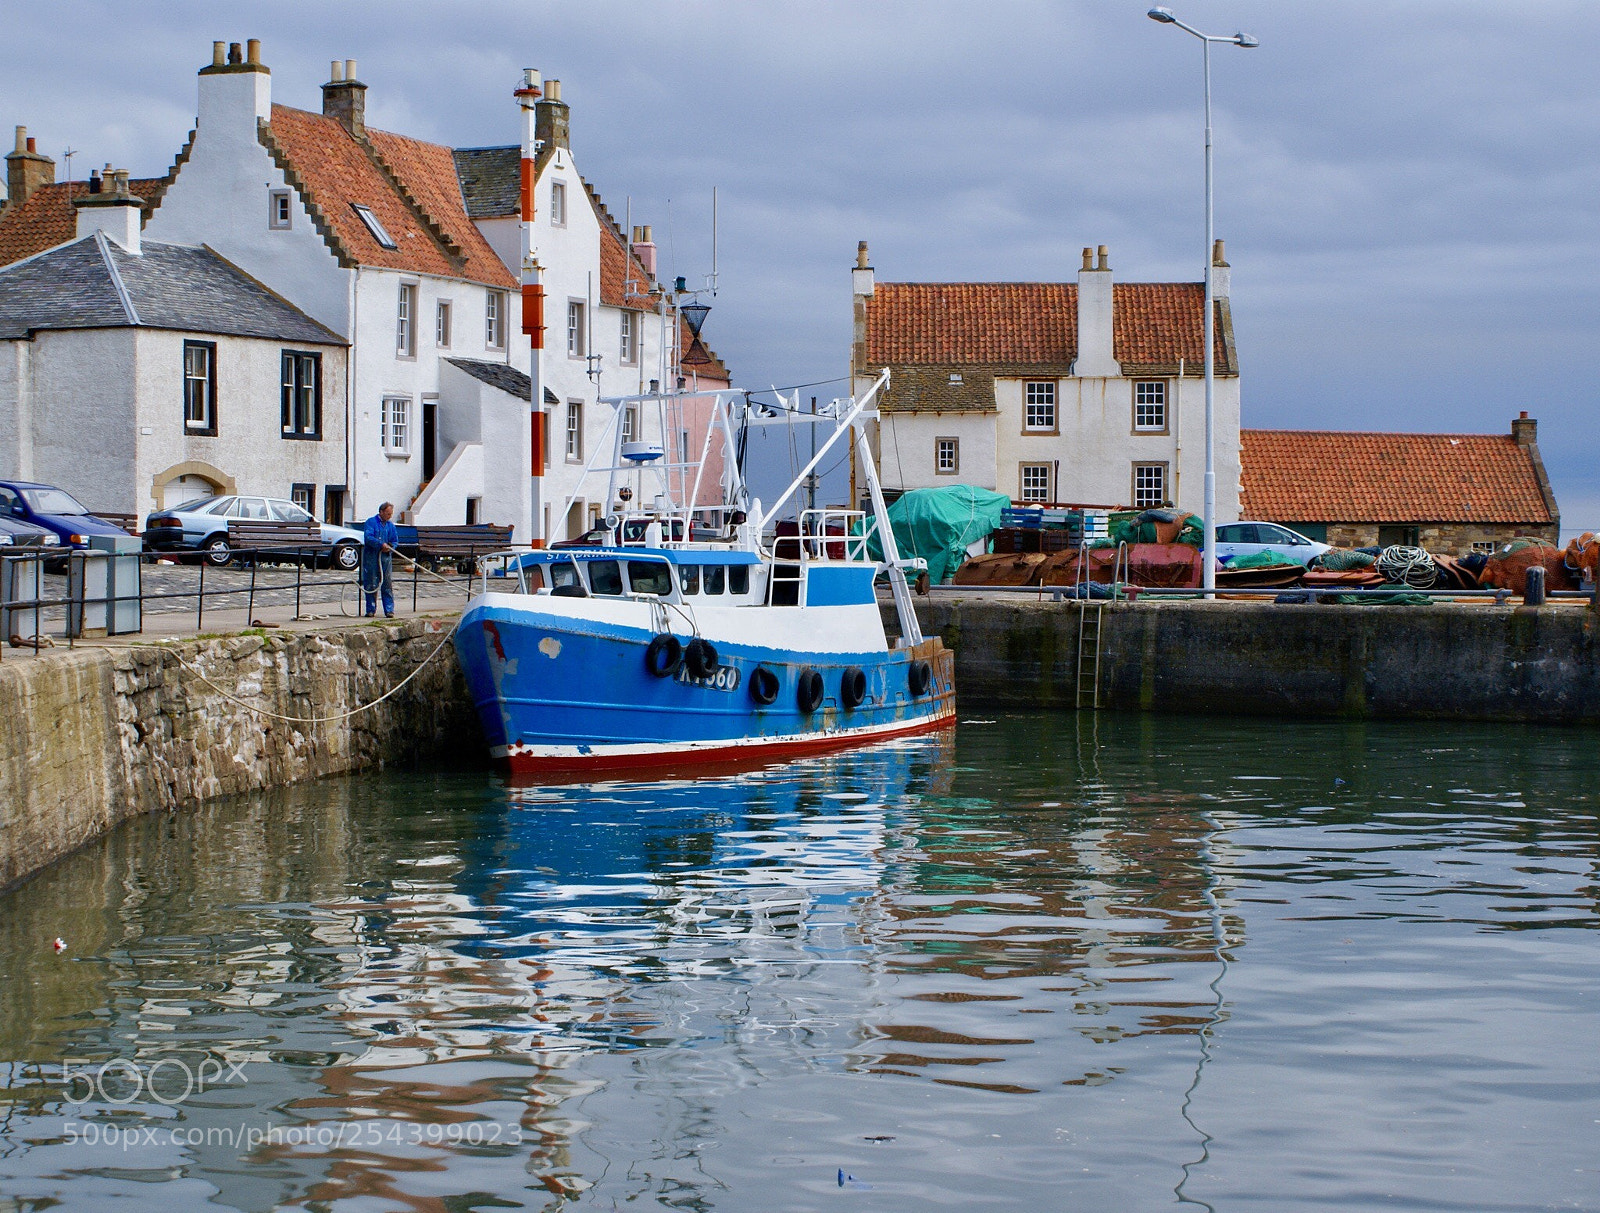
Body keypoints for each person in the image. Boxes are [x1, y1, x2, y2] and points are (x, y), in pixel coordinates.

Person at [362, 502, 399, 617]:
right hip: (371, 557)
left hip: (385, 559)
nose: (389, 516)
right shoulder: (371, 522)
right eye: (388, 514)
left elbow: (395, 540)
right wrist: (380, 544)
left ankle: (389, 610)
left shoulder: (390, 526)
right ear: (381, 512)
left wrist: (391, 547)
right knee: (371, 584)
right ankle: (370, 610)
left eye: (391, 514)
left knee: (387, 584)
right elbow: (368, 537)